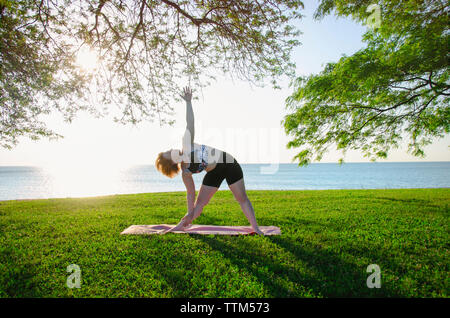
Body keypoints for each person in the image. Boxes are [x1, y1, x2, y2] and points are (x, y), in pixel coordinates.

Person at [155, 87, 264, 235]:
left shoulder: (186, 145)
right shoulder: (185, 172)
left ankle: (256, 228)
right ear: (172, 161)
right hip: (214, 172)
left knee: (241, 198)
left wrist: (188, 102)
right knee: (199, 204)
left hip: (228, 163)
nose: (171, 149)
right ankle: (183, 224)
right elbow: (190, 194)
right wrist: (189, 212)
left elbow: (190, 124)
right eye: (169, 153)